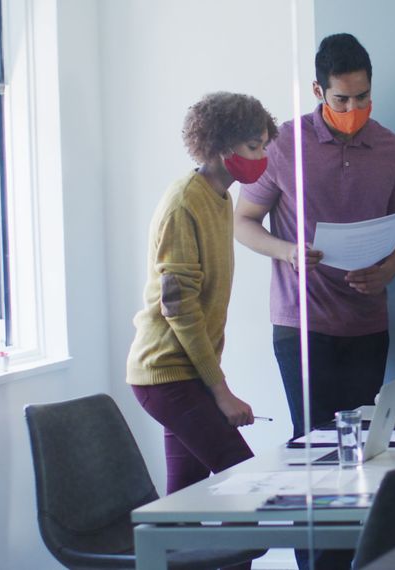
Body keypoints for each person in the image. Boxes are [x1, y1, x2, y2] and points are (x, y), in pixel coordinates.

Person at [235, 33, 395, 570]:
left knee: (365, 455)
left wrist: (388, 271)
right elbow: (244, 224)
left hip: (368, 321)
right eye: (342, 99)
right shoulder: (282, 144)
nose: (354, 109)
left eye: (363, 98)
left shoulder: (394, 150)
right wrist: (287, 252)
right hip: (301, 324)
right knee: (312, 456)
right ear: (319, 90)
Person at [126, 92, 277, 496]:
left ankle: (171, 559)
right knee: (247, 486)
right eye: (253, 146)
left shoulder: (220, 198)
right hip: (166, 374)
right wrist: (221, 391)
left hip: (187, 374)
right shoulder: (183, 203)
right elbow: (179, 307)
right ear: (222, 145)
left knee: (184, 505)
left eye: (264, 144)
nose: (262, 156)